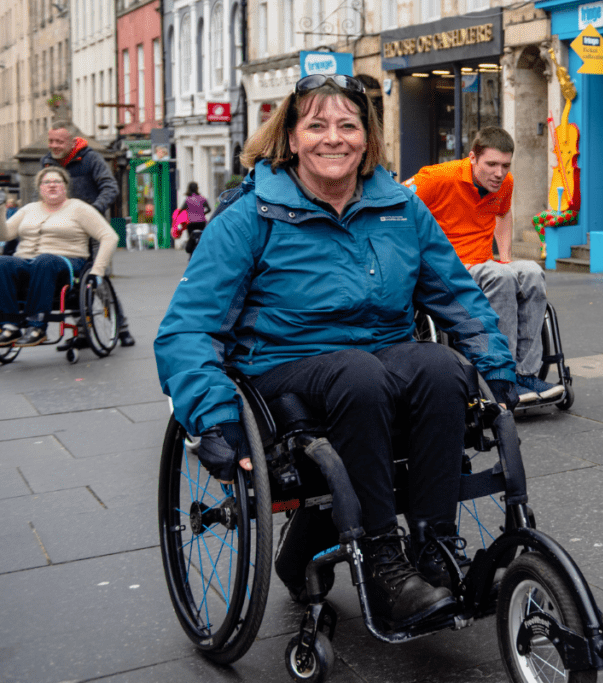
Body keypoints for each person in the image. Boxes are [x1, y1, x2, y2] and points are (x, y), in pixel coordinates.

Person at [154, 74, 519, 629]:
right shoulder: (251, 216)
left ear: (367, 139)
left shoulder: (401, 209)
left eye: (348, 125)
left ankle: (433, 548)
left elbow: (458, 299)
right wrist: (211, 413)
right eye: (317, 125)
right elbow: (188, 328)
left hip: (377, 364)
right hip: (281, 375)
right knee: (358, 374)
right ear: (293, 139)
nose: (334, 138)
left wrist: (494, 368)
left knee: (443, 368)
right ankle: (382, 561)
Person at [404, 127, 563, 404]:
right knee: (499, 275)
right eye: (491, 164)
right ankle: (500, 375)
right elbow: (397, 205)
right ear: (473, 158)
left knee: (531, 272)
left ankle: (525, 373)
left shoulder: (505, 183)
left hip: (484, 264)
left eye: (505, 165)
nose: (499, 173)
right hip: (446, 269)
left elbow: (502, 213)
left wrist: (506, 256)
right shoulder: (437, 178)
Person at [0, 167, 118, 347]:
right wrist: (1, 209)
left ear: (65, 187)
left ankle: (37, 327)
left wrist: (98, 270)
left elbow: (109, 236)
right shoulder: (29, 209)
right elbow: (5, 234)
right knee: (4, 262)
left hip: (66, 263)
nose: (52, 185)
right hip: (28, 262)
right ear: (40, 188)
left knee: (45, 260)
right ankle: (9, 325)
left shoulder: (79, 208)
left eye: (57, 182)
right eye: (47, 182)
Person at [42, 121, 135, 348]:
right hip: (64, 230)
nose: (54, 146)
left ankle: (120, 327)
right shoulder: (47, 162)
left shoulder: (90, 158)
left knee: (96, 279)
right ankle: (82, 331)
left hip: (92, 232)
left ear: (71, 142)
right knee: (68, 282)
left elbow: (110, 187)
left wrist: (91, 211)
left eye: (59, 141)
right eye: (51, 141)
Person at [179, 182, 211, 255]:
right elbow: (209, 209)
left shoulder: (187, 200)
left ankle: (192, 255)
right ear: (197, 188)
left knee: (191, 239)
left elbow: (181, 210)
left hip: (191, 223)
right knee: (202, 239)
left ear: (189, 189)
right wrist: (202, 213)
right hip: (201, 222)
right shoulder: (202, 199)